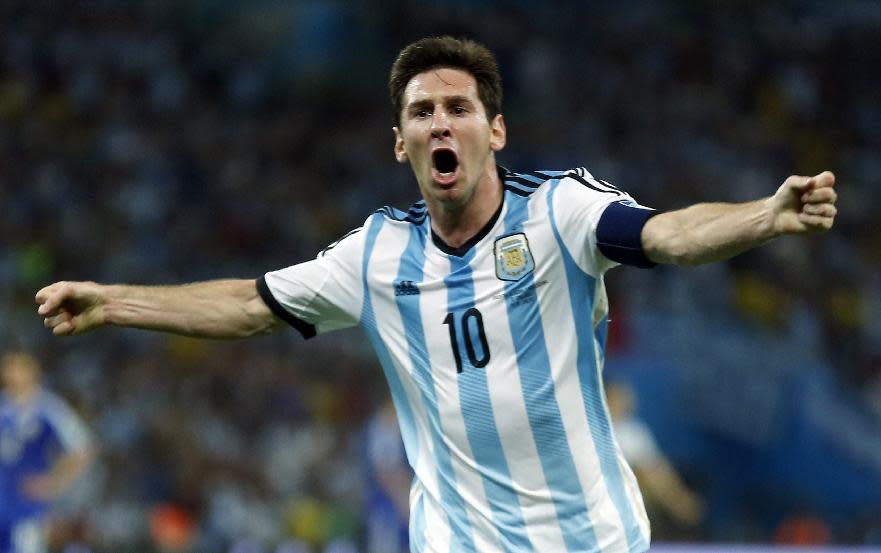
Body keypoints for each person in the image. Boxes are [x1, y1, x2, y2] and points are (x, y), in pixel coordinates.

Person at [34, 36, 838, 553]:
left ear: (495, 131)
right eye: (422, 112)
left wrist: (762, 216)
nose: (440, 123)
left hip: (588, 537)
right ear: (400, 142)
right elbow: (251, 304)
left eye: (459, 108)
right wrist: (115, 302)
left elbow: (664, 234)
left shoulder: (561, 210)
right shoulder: (376, 252)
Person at [0, 350, 95, 553]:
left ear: (32, 370)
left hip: (26, 509)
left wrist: (53, 482)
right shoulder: (3, 406)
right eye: (8, 366)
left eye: (17, 366)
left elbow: (83, 447)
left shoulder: (49, 408)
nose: (11, 372)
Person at [605, 381, 703, 537]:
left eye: (625, 397)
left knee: (655, 470)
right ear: (607, 400)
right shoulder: (598, 430)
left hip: (638, 490)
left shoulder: (633, 430)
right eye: (618, 397)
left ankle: (680, 502)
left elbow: (656, 465)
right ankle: (679, 504)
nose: (624, 401)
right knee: (647, 474)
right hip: (609, 487)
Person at [365, 399, 411, 553]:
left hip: (407, 499)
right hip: (389, 502)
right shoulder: (384, 423)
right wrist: (403, 503)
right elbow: (384, 472)